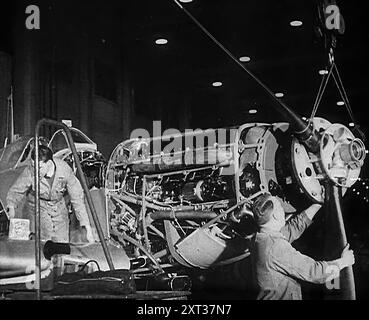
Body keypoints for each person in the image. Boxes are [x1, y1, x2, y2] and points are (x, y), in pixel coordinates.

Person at [250, 192, 355, 300]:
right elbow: (315, 272)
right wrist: (344, 261)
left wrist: (318, 203)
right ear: (275, 215)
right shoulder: (276, 248)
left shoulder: (260, 238)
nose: (283, 210)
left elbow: (293, 228)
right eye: (280, 207)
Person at [5, 145, 94, 243]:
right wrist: (11, 206)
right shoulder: (31, 171)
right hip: (38, 207)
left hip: (59, 208)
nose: (35, 171)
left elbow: (77, 198)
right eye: (33, 166)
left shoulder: (64, 170)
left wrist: (86, 225)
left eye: (39, 167)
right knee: (46, 240)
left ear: (49, 163)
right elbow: (17, 190)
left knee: (62, 243)